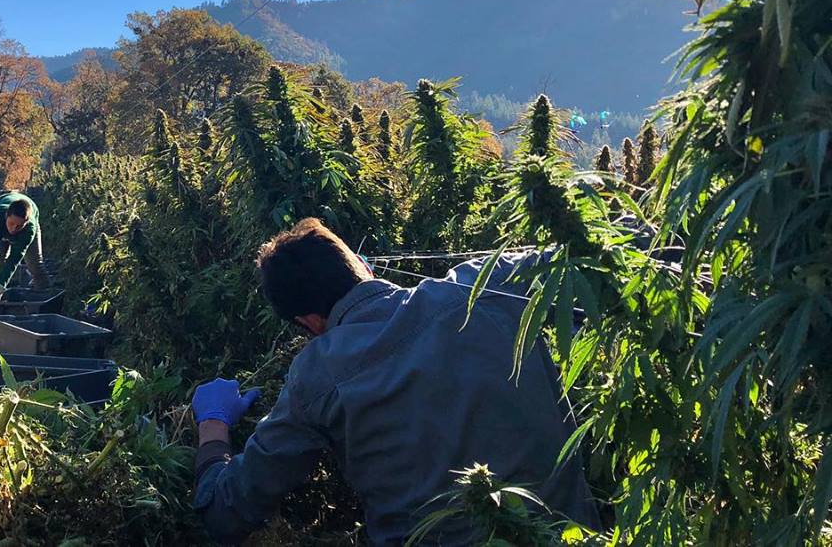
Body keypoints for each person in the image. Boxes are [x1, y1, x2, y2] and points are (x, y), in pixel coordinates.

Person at [191, 218, 600, 545]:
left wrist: (213, 423)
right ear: (363, 268)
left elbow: (226, 513)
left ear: (310, 322)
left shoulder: (315, 376)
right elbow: (602, 249)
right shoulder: (488, 284)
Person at [0, 191, 48, 297]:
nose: (14, 229)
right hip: (1, 214)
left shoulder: (29, 229)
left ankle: (44, 294)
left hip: (31, 213)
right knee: (0, 262)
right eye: (11, 223)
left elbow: (14, 258)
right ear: (6, 216)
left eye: (19, 226)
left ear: (25, 223)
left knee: (35, 264)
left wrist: (1, 283)